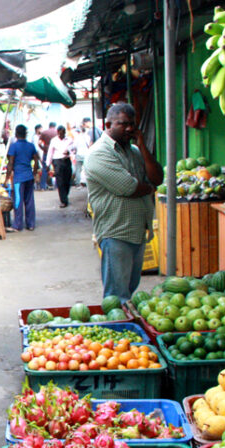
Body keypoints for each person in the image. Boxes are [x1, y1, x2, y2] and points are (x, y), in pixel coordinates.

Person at [84, 103, 163, 302]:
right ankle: (115, 327)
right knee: (117, 295)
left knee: (129, 290)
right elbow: (128, 188)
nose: (129, 128)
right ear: (108, 124)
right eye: (123, 124)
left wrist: (143, 145)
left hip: (136, 231)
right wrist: (149, 188)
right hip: (115, 232)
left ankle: (125, 327)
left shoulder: (135, 151)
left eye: (132, 124)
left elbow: (157, 178)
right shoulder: (98, 154)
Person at [4, 125, 41, 231]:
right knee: (29, 201)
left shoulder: (14, 146)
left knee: (18, 201)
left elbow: (10, 163)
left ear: (16, 134)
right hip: (29, 176)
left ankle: (18, 225)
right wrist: (34, 173)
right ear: (25, 134)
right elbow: (36, 162)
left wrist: (7, 178)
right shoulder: (31, 146)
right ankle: (31, 224)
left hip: (19, 178)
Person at [46, 126, 77, 208]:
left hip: (66, 161)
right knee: (60, 181)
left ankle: (65, 195)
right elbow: (50, 152)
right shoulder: (54, 140)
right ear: (58, 132)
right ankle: (63, 200)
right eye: (60, 132)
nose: (62, 134)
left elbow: (74, 149)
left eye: (63, 132)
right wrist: (48, 164)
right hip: (57, 161)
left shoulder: (69, 139)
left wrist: (69, 151)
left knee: (67, 180)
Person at [38, 121, 59, 190]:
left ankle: (42, 187)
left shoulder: (44, 132)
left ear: (49, 126)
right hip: (55, 152)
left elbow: (39, 143)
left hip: (46, 152)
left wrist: (43, 148)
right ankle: (57, 186)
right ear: (55, 126)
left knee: (45, 169)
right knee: (57, 169)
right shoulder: (57, 132)